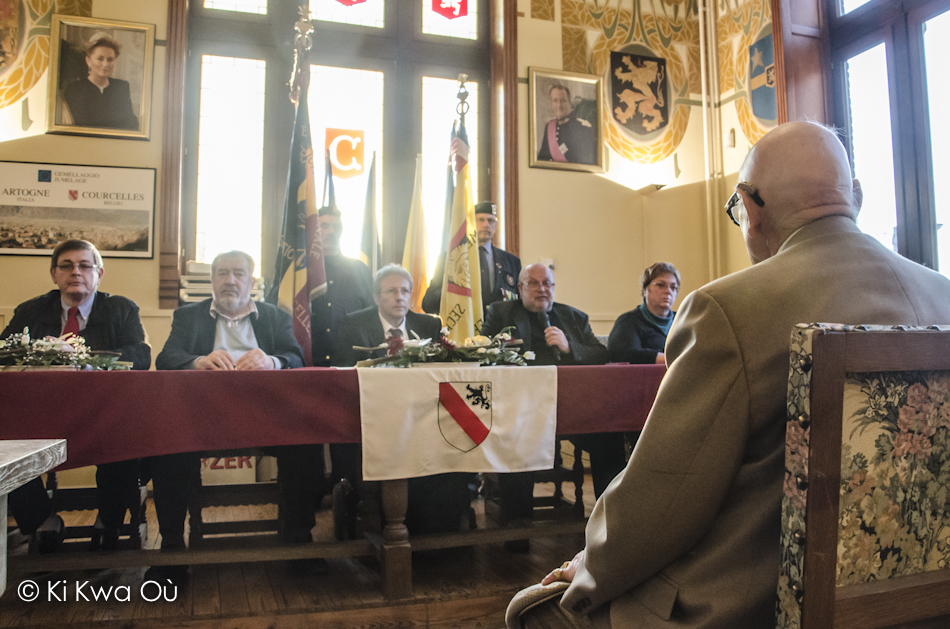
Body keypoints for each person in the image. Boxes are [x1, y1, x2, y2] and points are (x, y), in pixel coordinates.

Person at [518, 121, 950, 628]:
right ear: (853, 196)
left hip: (748, 610)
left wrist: (585, 569)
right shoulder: (942, 297)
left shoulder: (726, 311)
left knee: (534, 613)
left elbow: (660, 506)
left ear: (751, 206)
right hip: (920, 606)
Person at [151, 250, 307, 582]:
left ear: (252, 282)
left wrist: (272, 362)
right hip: (201, 419)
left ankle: (300, 541)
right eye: (222, 273)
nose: (230, 280)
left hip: (267, 417)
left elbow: (295, 357)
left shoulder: (274, 317)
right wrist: (196, 362)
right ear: (211, 281)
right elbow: (166, 358)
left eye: (238, 273)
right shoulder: (188, 316)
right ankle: (173, 548)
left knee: (306, 445)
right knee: (167, 449)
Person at [0, 239, 150, 552]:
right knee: (4, 446)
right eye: (66, 266)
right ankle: (41, 521)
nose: (76, 272)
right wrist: (44, 353)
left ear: (100, 274)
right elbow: (4, 355)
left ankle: (109, 521)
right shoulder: (31, 310)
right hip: (39, 416)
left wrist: (83, 359)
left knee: (126, 438)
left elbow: (139, 355)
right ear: (54, 274)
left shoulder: (121, 309)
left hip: (103, 414)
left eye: (85, 266)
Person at [482, 263, 625, 551]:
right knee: (517, 439)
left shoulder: (573, 317)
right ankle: (517, 530)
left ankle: (610, 524)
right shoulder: (501, 313)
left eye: (547, 283)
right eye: (533, 283)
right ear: (520, 289)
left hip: (572, 411)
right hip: (522, 410)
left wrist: (570, 347)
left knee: (609, 439)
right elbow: (485, 351)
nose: (541, 289)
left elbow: (601, 353)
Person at [335, 265, 470, 534]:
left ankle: (439, 529)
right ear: (377, 298)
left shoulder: (428, 325)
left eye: (405, 291)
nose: (400, 297)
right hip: (373, 419)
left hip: (424, 416)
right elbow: (343, 375)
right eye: (392, 291)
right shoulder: (352, 325)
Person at [422, 200, 521, 315]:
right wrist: (455, 289)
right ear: (470, 223)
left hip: (500, 330)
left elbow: (519, 302)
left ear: (496, 225)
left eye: (490, 220)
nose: (486, 225)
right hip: (464, 327)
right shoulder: (449, 259)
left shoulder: (511, 262)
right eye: (480, 220)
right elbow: (428, 303)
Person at [310, 205, 375, 367]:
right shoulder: (300, 273)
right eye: (324, 225)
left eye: (336, 227)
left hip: (352, 363)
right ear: (313, 229)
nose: (331, 231)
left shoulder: (359, 270)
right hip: (307, 363)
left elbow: (374, 314)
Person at [608, 262, 680, 365]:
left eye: (673, 287)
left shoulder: (683, 320)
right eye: (661, 285)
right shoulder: (628, 321)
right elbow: (625, 355)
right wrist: (674, 360)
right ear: (645, 290)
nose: (668, 291)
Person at [62, 33, 138, 130]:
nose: (105, 64)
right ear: (88, 61)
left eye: (110, 59)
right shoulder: (74, 89)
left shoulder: (121, 87)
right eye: (100, 59)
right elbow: (80, 125)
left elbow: (130, 122)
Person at [536, 84, 596, 165]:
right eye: (555, 100)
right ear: (551, 103)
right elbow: (542, 159)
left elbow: (585, 161)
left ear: (570, 103)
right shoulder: (549, 126)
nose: (559, 105)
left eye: (563, 101)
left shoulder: (581, 127)